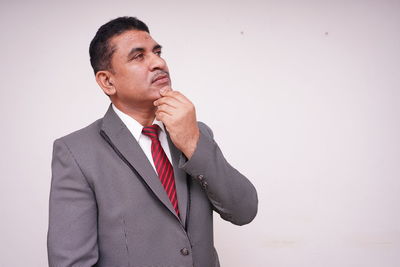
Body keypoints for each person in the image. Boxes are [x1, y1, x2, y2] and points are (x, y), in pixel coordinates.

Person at [47, 16, 258, 267]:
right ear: (107, 81)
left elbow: (244, 211)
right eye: (139, 56)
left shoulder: (196, 133)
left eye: (157, 52)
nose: (159, 62)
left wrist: (193, 142)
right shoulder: (76, 153)